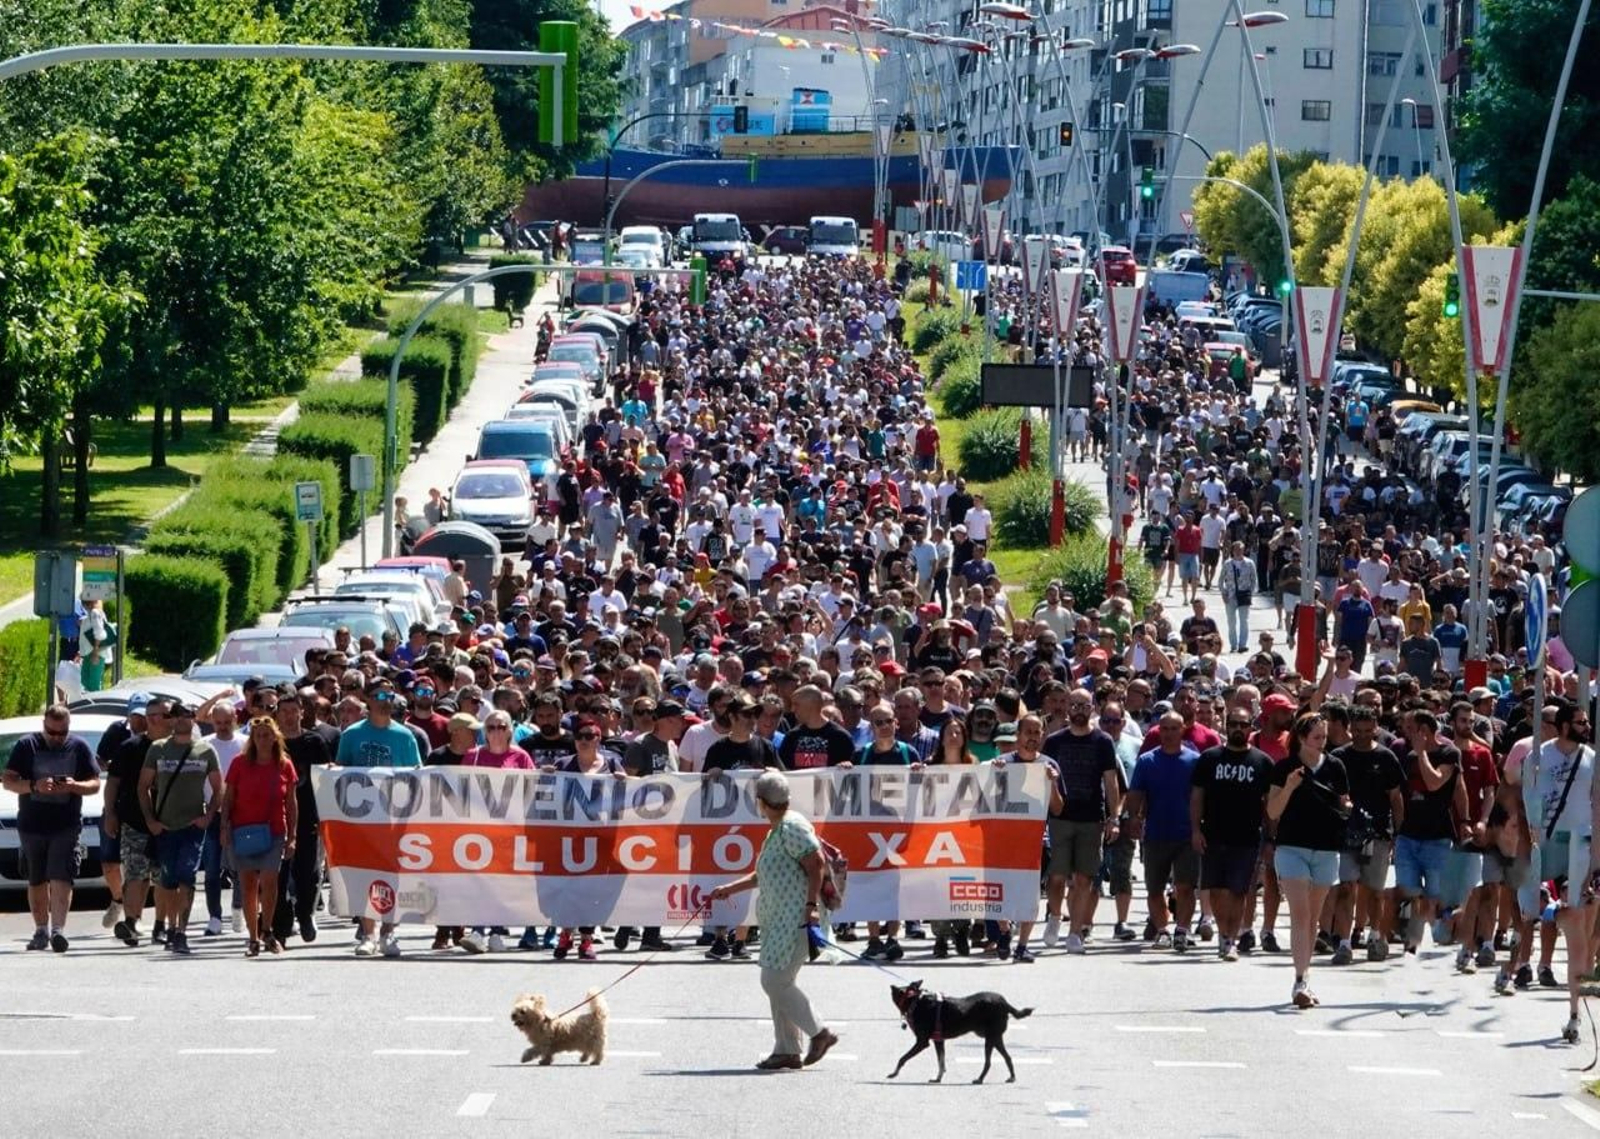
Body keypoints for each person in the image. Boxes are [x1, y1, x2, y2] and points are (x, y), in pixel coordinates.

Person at [708, 770, 840, 1071]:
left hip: (795, 918)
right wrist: (730, 888)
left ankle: (820, 1033)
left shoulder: (791, 827)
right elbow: (763, 874)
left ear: (762, 802)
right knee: (780, 981)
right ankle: (786, 1050)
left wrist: (809, 906)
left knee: (775, 980)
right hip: (779, 920)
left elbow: (816, 863)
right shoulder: (777, 830)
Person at [1267, 712, 1352, 1009]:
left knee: (1314, 918)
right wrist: (1289, 786)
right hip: (1292, 848)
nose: (1321, 742)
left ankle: (1305, 976)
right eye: (1316, 737)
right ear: (1302, 738)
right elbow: (1273, 812)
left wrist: (1347, 806)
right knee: (1300, 914)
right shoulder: (1284, 767)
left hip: (1327, 848)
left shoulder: (1336, 766)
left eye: (1324, 737)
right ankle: (1300, 980)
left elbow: (1344, 802)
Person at [1, 705, 100, 951]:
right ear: (44, 726)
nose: (56, 737)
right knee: (36, 878)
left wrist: (74, 785)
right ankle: (40, 930)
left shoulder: (78, 747)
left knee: (61, 876)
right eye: (51, 731)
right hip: (32, 824)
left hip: (66, 823)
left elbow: (95, 783)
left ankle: (58, 931)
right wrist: (35, 786)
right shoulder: (26, 746)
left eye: (62, 732)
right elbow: (9, 781)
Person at [336, 679, 423, 958]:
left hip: (394, 820)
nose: (386, 700)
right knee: (364, 876)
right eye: (380, 695)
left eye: (390, 695)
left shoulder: (405, 736)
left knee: (392, 877)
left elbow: (417, 773)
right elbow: (341, 770)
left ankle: (388, 932)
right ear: (368, 700)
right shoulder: (351, 735)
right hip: (361, 822)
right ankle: (368, 934)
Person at [1039, 688, 1121, 957]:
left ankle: (1075, 932)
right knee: (1057, 876)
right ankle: (1054, 916)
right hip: (1060, 817)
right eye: (1073, 705)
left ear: (1092, 708)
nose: (1078, 710)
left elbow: (1110, 781)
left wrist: (1114, 818)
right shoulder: (1053, 741)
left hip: (1091, 818)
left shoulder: (1103, 741)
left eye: (1083, 706)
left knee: (1084, 878)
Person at [138, 701, 223, 957]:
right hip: (165, 827)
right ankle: (169, 926)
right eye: (179, 715)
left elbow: (219, 787)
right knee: (167, 880)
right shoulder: (158, 749)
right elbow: (143, 786)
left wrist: (208, 816)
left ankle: (181, 933)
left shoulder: (205, 751)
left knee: (187, 877)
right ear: (171, 720)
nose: (184, 719)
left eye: (188, 715)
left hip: (192, 827)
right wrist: (151, 821)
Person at [1190, 707, 1272, 961]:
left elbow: (1270, 804)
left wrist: (1270, 838)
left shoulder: (1262, 761)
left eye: (1243, 724)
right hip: (1213, 834)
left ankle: (1230, 939)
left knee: (1239, 891)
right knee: (1216, 890)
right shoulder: (1209, 758)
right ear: (1226, 726)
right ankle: (1222, 933)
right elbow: (1197, 797)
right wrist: (1195, 830)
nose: (1238, 728)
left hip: (1247, 838)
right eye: (1233, 723)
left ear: (1250, 727)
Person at [222, 716, 299, 957]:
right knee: (247, 885)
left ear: (275, 737)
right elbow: (229, 798)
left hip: (274, 831)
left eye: (267, 735)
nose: (263, 740)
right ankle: (252, 937)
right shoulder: (239, 763)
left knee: (269, 881)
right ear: (252, 740)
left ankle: (267, 930)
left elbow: (292, 803)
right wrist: (224, 827)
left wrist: (292, 836)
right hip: (243, 831)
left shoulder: (284, 764)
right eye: (259, 736)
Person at [1125, 711, 1200, 951]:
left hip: (1186, 834)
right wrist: (1134, 818)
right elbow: (1135, 793)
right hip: (1156, 834)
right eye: (1164, 729)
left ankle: (1182, 930)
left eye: (1173, 729)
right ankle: (1162, 931)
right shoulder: (1147, 761)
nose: (1168, 734)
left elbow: (1201, 796)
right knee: (1154, 888)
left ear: (1182, 730)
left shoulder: (1194, 760)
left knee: (1186, 886)